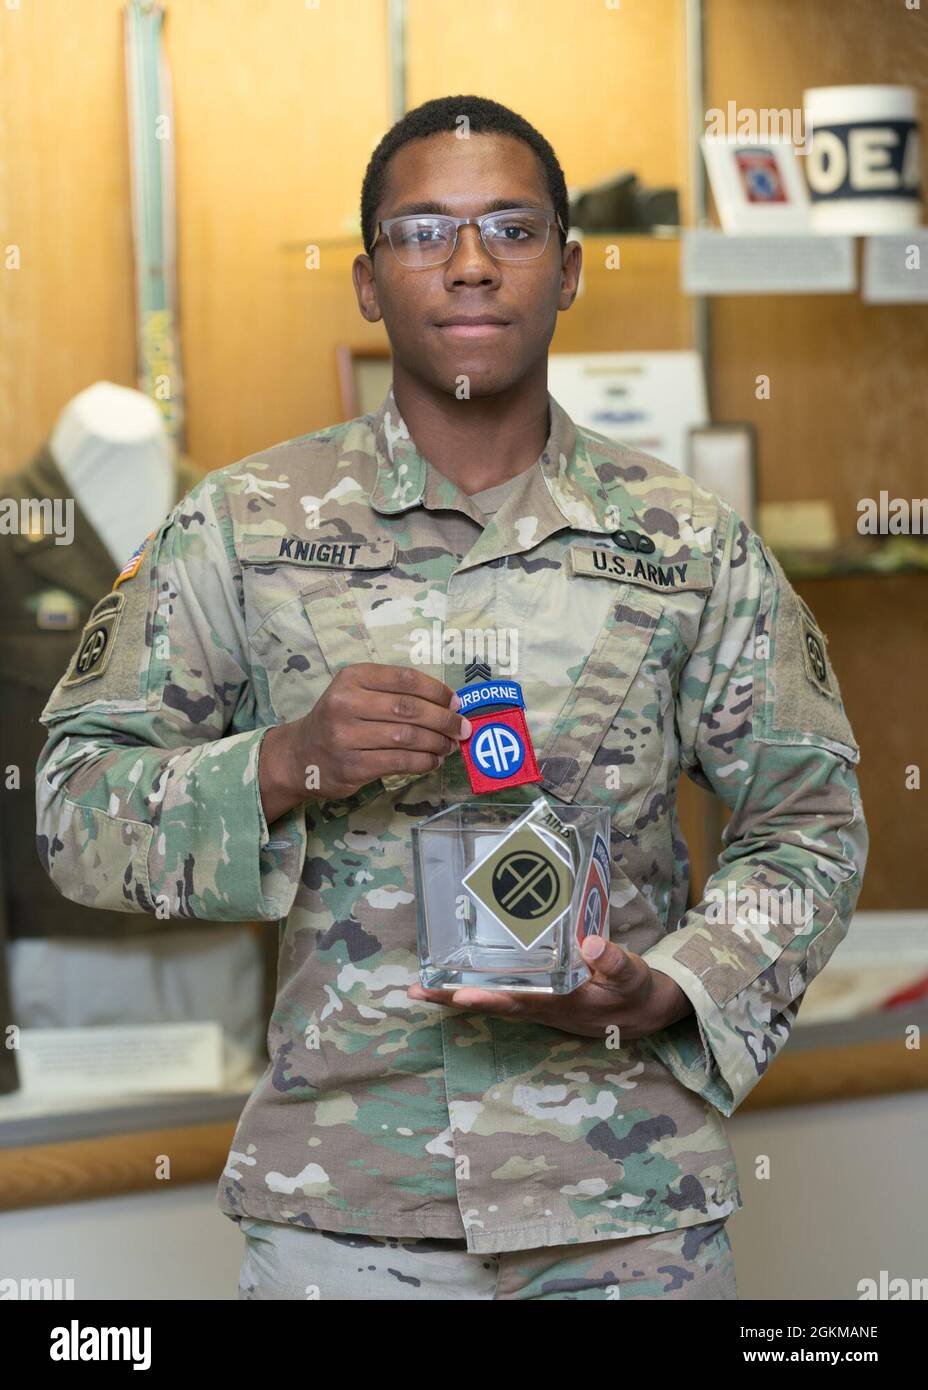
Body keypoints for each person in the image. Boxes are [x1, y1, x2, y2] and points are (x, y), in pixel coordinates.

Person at [35, 95, 867, 1301]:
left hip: (623, 1210)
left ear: (569, 270)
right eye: (422, 232)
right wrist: (282, 764)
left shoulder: (689, 542)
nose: (469, 265)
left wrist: (678, 980)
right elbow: (70, 807)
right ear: (369, 282)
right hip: (346, 1208)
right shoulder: (245, 526)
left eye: (511, 230)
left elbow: (814, 825)